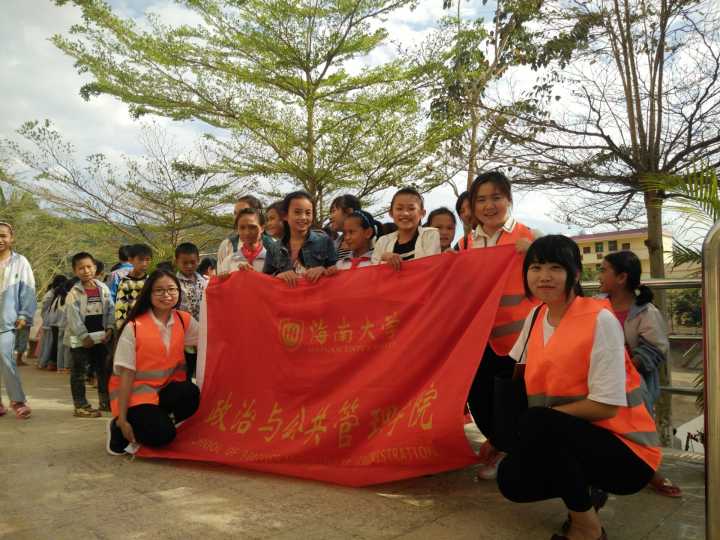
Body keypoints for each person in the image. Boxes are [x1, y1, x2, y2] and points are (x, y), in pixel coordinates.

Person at [497, 235, 661, 540]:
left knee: (537, 423)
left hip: (627, 450)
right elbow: (510, 366)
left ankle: (587, 527)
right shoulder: (537, 315)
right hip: (573, 434)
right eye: (535, 267)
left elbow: (606, 406)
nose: (544, 276)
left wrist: (541, 420)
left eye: (555, 268)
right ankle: (586, 490)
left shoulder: (599, 319)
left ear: (575, 273)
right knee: (511, 479)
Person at [463, 171, 541, 480]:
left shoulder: (530, 236)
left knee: (516, 398)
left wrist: (533, 253)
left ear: (508, 199)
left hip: (522, 339)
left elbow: (559, 272)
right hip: (479, 339)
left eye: (496, 198)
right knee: (479, 396)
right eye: (481, 200)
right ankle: (500, 444)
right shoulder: (465, 244)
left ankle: (512, 454)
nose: (489, 206)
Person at [599, 250, 681, 498]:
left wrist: (624, 365)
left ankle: (650, 473)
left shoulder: (646, 312)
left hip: (635, 385)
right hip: (599, 380)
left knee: (638, 430)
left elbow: (656, 348)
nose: (599, 275)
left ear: (622, 277)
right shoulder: (595, 305)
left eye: (604, 270)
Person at [106, 270, 200, 455]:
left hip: (165, 391)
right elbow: (126, 375)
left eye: (171, 289)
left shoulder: (183, 320)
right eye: (159, 290)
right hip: (136, 396)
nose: (166, 295)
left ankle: (157, 418)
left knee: (191, 392)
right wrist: (122, 419)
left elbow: (211, 340)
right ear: (148, 293)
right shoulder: (134, 327)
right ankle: (117, 427)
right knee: (163, 436)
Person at [65, 252, 115, 417]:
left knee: (103, 370)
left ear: (95, 267)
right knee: (79, 373)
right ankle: (81, 406)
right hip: (80, 340)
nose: (86, 271)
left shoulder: (103, 288)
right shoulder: (74, 293)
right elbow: (73, 318)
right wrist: (83, 336)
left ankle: (105, 402)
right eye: (81, 268)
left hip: (101, 338)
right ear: (75, 271)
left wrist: (110, 328)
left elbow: (110, 309)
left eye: (89, 267)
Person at [0, 221, 37, 419]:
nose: (0, 239)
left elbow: (28, 289)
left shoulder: (20, 262)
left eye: (3, 235)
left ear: (11, 238)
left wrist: (24, 314)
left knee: (6, 360)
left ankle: (17, 400)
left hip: (6, 322)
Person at [263, 191, 338, 287]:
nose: (303, 217)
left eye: (308, 213)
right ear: (285, 216)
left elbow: (337, 272)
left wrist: (323, 270)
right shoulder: (274, 248)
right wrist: (278, 276)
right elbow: (265, 280)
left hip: (317, 295)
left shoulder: (324, 241)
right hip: (285, 296)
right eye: (297, 212)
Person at [371, 187, 441, 269]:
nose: (405, 213)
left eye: (411, 209)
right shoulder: (383, 241)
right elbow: (373, 272)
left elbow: (431, 267)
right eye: (399, 209)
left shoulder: (430, 235)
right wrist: (383, 258)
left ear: (422, 213)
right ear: (391, 213)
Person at [174, 242, 206, 381]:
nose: (189, 266)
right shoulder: (173, 283)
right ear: (176, 262)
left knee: (202, 370)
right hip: (183, 334)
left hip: (202, 333)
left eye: (192, 262)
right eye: (184, 263)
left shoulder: (204, 281)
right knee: (185, 370)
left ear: (198, 260)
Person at [217, 195, 276, 270]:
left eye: (243, 212)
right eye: (235, 213)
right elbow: (220, 273)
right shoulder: (227, 245)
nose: (238, 217)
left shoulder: (274, 246)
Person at [114, 244, 153, 330]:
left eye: (147, 260)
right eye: (140, 259)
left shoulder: (151, 281)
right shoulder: (125, 283)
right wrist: (121, 328)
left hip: (150, 325)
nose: (144, 264)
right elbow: (120, 308)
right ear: (130, 260)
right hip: (132, 327)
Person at [218, 208, 268, 274]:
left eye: (252, 227)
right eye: (242, 228)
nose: (247, 232)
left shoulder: (272, 261)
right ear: (237, 230)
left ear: (262, 228)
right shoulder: (229, 262)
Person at [36, 275, 68, 370]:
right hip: (50, 322)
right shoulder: (53, 295)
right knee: (49, 344)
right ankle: (45, 362)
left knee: (47, 344)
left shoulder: (53, 294)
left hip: (49, 321)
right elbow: (45, 308)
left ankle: (43, 362)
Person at [329, 194, 362, 260]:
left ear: (349, 212)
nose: (330, 217)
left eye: (333, 211)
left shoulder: (372, 242)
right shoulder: (334, 245)